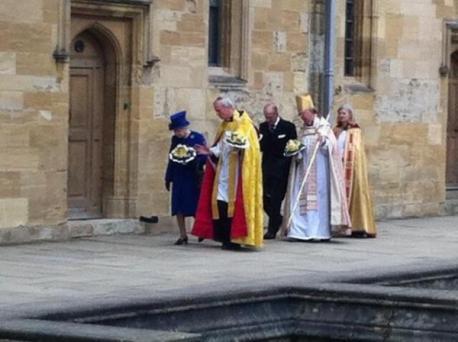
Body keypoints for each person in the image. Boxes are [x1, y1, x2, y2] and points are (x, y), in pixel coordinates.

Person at [192, 96, 263, 250]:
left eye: (218, 110)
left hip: (238, 174)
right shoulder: (225, 126)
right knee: (219, 203)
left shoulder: (245, 125)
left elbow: (253, 149)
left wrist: (241, 148)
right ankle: (224, 237)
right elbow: (221, 149)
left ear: (228, 107)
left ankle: (235, 239)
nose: (217, 114)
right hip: (223, 172)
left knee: (233, 205)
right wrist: (209, 150)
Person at [282, 94, 351, 241]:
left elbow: (332, 148)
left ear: (312, 112)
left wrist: (324, 141)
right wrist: (296, 151)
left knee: (318, 202)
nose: (303, 118)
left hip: (320, 172)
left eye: (304, 114)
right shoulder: (303, 131)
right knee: (301, 200)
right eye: (301, 115)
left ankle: (318, 232)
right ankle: (299, 231)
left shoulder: (324, 127)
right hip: (303, 171)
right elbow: (300, 147)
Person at [333, 104, 377, 237]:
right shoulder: (336, 130)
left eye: (344, 113)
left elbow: (356, 150)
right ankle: (342, 225)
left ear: (350, 115)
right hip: (338, 165)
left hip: (352, 168)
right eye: (340, 113)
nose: (341, 115)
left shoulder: (355, 130)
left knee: (356, 194)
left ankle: (359, 226)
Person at [165, 111, 207, 245]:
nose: (177, 133)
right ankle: (183, 235)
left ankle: (200, 230)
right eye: (175, 131)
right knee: (178, 206)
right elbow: (171, 157)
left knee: (195, 205)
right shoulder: (175, 140)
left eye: (178, 130)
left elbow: (203, 155)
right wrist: (168, 177)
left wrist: (195, 159)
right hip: (179, 175)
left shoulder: (197, 137)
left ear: (184, 128)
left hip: (192, 176)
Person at [259, 103, 297, 239]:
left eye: (270, 117)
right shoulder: (263, 127)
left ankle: (271, 230)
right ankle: (278, 219)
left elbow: (292, 147)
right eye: (266, 117)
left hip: (282, 169)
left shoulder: (288, 127)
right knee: (262, 197)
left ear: (276, 114)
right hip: (267, 167)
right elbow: (261, 146)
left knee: (276, 199)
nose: (268, 119)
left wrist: (286, 163)